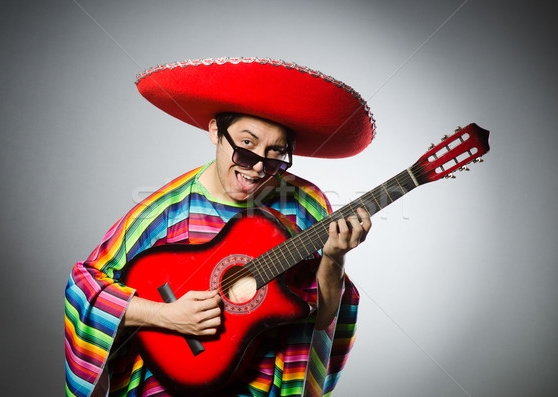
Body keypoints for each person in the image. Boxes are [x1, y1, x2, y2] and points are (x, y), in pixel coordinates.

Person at [65, 57, 376, 397]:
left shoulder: (306, 204)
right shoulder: (168, 208)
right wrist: (166, 315)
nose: (257, 167)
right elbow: (85, 289)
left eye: (275, 154)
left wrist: (333, 259)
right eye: (246, 146)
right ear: (215, 132)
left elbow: (322, 317)